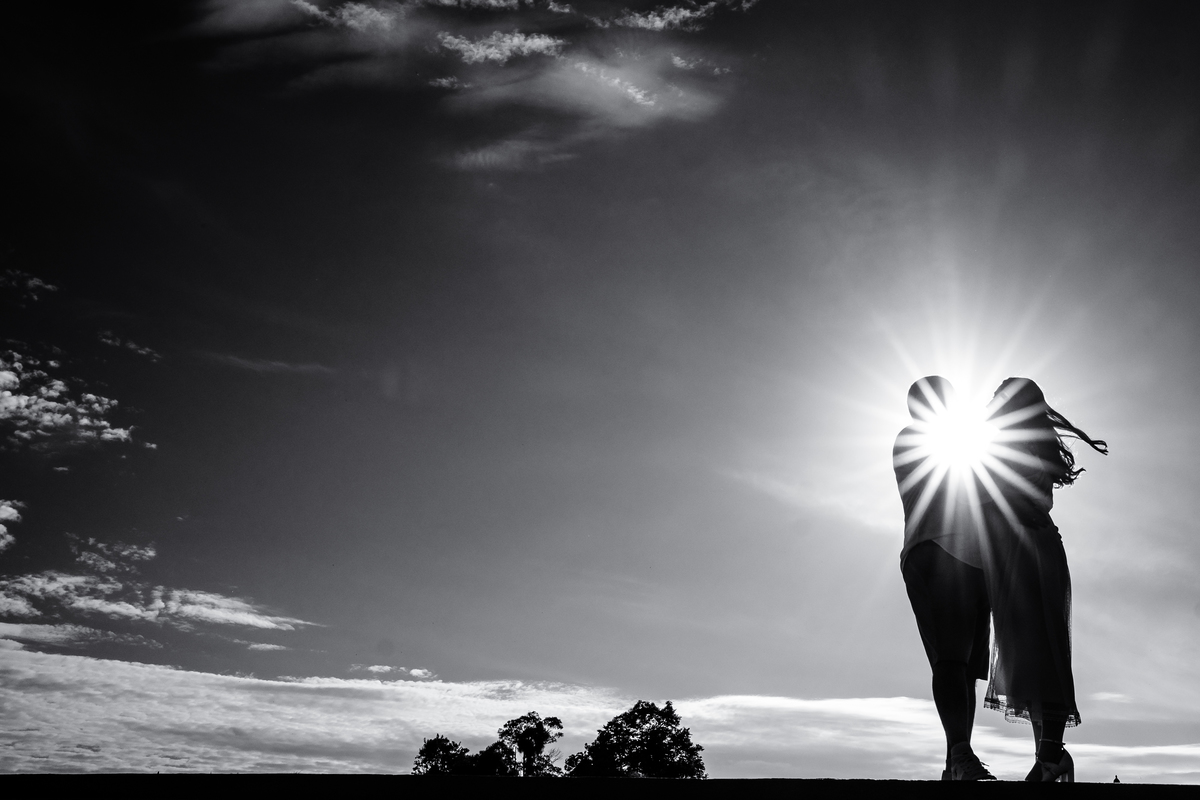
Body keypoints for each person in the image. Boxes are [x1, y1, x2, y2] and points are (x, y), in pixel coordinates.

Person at [976, 378, 1108, 782]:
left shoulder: (1022, 446)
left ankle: (1050, 757)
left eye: (1001, 396)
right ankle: (1049, 756)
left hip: (1032, 553)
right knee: (1026, 657)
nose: (993, 401)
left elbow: (1021, 501)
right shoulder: (1008, 444)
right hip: (1016, 554)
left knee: (1041, 654)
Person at [893, 376, 995, 781]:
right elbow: (966, 488)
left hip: (971, 558)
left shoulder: (959, 439)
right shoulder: (915, 438)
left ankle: (957, 757)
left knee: (966, 667)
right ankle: (959, 753)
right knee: (952, 659)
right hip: (937, 550)